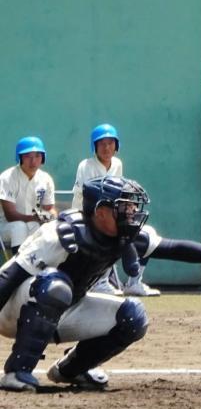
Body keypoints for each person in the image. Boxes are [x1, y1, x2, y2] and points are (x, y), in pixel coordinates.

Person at [0, 176, 201, 392]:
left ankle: (72, 369)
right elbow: (9, 276)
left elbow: (171, 247)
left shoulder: (123, 235)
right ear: (101, 212)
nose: (132, 213)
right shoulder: (59, 235)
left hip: (65, 310)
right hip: (14, 311)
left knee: (132, 316)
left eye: (132, 207)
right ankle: (16, 371)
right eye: (124, 207)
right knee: (56, 287)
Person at [72, 124, 160, 297]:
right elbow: (90, 199)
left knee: (146, 233)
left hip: (111, 217)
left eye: (110, 143)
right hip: (88, 217)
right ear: (94, 146)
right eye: (102, 144)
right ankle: (100, 282)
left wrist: (128, 207)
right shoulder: (86, 166)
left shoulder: (117, 164)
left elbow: (119, 194)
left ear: (116, 146)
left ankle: (134, 283)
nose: (106, 148)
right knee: (108, 235)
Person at [0, 137, 56, 257]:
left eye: (37, 156)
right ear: (19, 158)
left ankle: (37, 271)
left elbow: (49, 208)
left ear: (43, 158)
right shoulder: (7, 177)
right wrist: (35, 218)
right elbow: (10, 215)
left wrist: (51, 217)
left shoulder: (46, 179)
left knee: (41, 228)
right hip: (5, 226)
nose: (33, 161)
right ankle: (15, 269)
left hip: (32, 223)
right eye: (27, 156)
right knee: (19, 227)